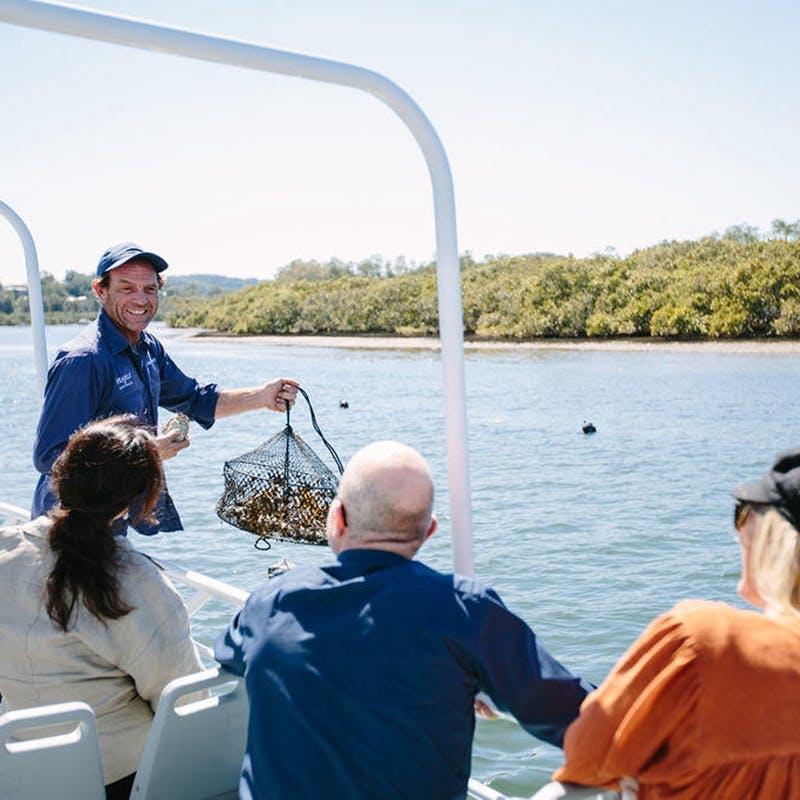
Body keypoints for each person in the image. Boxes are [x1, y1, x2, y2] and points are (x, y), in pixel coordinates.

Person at [215, 440, 592, 800]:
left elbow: (229, 653)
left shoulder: (270, 603)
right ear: (429, 531)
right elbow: (584, 719)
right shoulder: (465, 612)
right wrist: (468, 677)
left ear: (337, 518)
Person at [553, 447, 800, 799]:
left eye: (747, 514)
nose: (739, 529)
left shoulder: (706, 641)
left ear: (777, 540)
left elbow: (588, 755)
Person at [32, 241, 299, 534]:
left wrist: (261, 396)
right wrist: (146, 452)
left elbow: (196, 399)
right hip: (67, 529)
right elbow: (50, 457)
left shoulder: (148, 348)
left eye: (149, 289)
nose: (141, 300)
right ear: (100, 291)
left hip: (112, 523)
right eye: (127, 288)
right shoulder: (84, 360)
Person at [0, 416, 204, 799]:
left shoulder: (6, 552)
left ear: (60, 474)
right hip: (118, 779)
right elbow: (183, 700)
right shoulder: (137, 583)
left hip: (19, 768)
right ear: (136, 498)